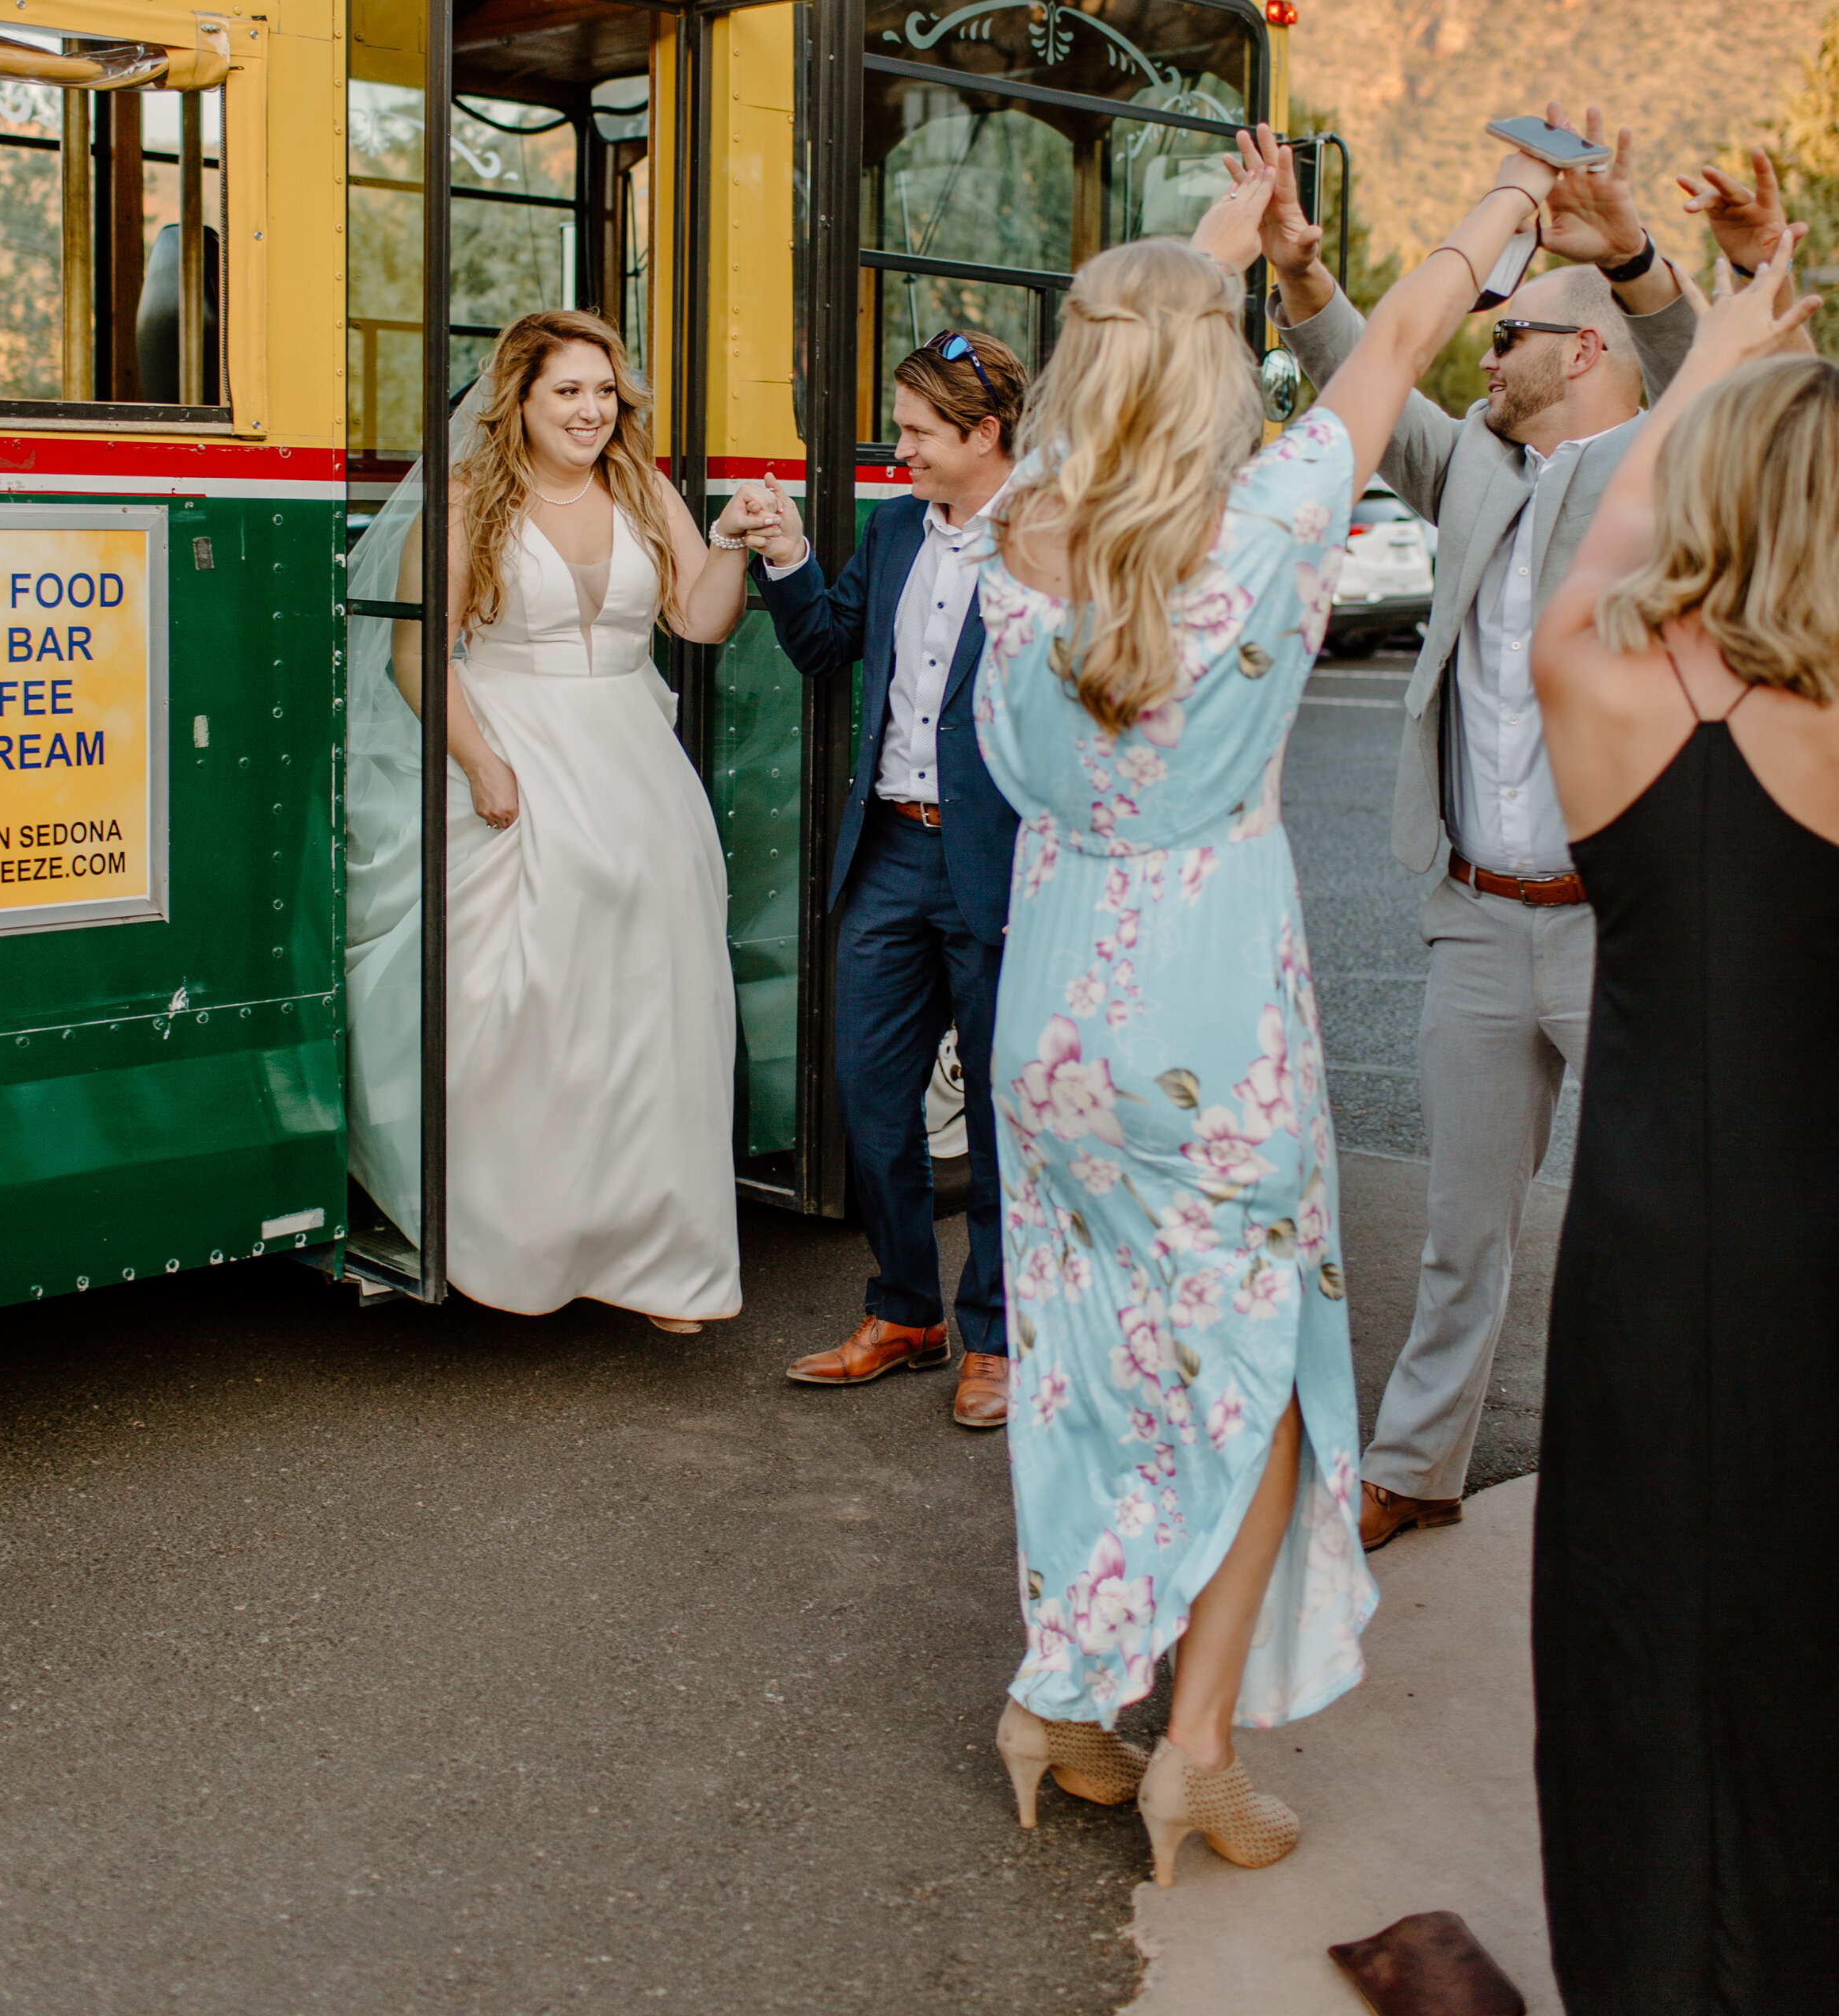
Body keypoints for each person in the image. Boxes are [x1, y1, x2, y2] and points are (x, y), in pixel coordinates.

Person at [979, 127, 1570, 1876]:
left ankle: (1058, 1703)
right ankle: (1196, 1756)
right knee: (1259, 1382)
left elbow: (1135, 348)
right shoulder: (1276, 514)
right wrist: (1508, 208)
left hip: (1048, 1017)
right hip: (1205, 1012)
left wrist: (1208, 244)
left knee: (1084, 1364)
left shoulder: (1020, 527)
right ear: (1216, 367)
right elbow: (1397, 333)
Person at [1265, 109, 1699, 1548]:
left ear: (1582, 349)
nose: (1481, 355)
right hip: (1471, 916)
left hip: (1619, 927)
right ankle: (1417, 1465)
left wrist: (1634, 255)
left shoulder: (1672, 474)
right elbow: (1369, 382)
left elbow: (1724, 384)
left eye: (1506, 337)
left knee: (1670, 1226)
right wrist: (1308, 281)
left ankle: (1685, 1490)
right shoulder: (1475, 474)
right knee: (1461, 1232)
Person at [1528, 231, 1833, 2016]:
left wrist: (1711, 349)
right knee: (1804, 1609)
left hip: (1636, 1220)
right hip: (1815, 1220)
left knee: (1632, 1599)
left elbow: (1600, 538)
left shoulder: (1588, 672)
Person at [344, 309, 774, 1334]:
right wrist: (483, 762)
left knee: (656, 1017)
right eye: (566, 392)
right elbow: (420, 656)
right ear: (520, 403)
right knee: (529, 1012)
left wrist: (730, 547)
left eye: (602, 391)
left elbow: (699, 619)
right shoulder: (465, 502)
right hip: (515, 763)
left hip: (637, 770)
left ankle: (658, 1261)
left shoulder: (642, 490)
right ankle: (528, 1241)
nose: (589, 410)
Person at [745, 329, 1027, 1429]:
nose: (898, 447)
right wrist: (782, 552)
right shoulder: (897, 524)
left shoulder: (1050, 535)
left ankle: (994, 1335)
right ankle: (905, 1308)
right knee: (867, 1096)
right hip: (891, 853)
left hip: (1001, 860)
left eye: (916, 431)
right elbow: (822, 643)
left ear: (983, 433)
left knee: (1005, 1114)